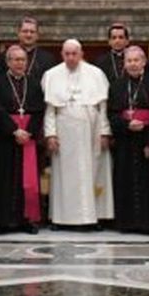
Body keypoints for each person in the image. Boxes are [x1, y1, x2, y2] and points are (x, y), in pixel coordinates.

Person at [42, 38, 113, 228]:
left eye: (74, 53)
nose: (71, 58)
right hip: (64, 131)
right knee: (64, 176)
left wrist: (105, 131)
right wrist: (50, 135)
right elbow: (50, 110)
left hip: (92, 129)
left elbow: (102, 107)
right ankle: (62, 219)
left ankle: (92, 218)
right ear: (62, 54)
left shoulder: (96, 74)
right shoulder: (51, 75)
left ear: (82, 54)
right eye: (67, 54)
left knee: (93, 172)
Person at [0, 45, 46, 233]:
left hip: (27, 139)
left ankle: (26, 220)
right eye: (15, 59)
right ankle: (2, 222)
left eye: (22, 60)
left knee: (26, 181)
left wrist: (28, 132)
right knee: (3, 180)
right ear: (8, 62)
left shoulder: (34, 83)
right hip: (6, 139)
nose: (19, 63)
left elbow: (39, 112)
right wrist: (14, 130)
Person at [108, 45, 149, 234]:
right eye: (129, 61)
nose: (132, 64)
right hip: (125, 140)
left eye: (136, 60)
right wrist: (126, 125)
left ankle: (147, 223)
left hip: (147, 138)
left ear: (144, 62)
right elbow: (112, 114)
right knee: (124, 179)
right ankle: (126, 222)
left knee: (148, 181)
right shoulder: (117, 85)